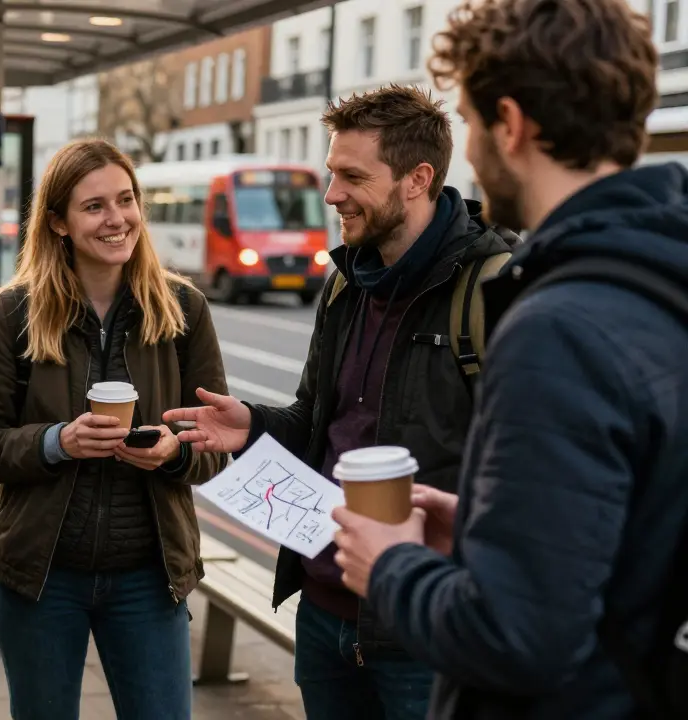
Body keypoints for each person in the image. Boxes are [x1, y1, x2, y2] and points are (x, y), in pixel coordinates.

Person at [327, 1, 688, 718]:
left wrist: (393, 567)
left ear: (512, 124)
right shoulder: (659, 279)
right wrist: (494, 522)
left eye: (470, 117)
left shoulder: (557, 324)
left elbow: (519, 635)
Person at [163, 85, 517, 719]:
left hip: (424, 629)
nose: (332, 195)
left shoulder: (491, 292)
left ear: (418, 178)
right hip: (324, 612)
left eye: (352, 176)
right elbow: (315, 422)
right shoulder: (343, 283)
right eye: (331, 174)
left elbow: (520, 475)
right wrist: (254, 426)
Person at [0, 138, 229, 720]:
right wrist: (55, 442)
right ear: (58, 221)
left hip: (149, 575)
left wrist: (173, 453)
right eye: (94, 207)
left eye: (126, 199)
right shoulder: (14, 311)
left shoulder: (183, 308)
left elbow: (216, 442)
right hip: (40, 576)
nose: (118, 219)